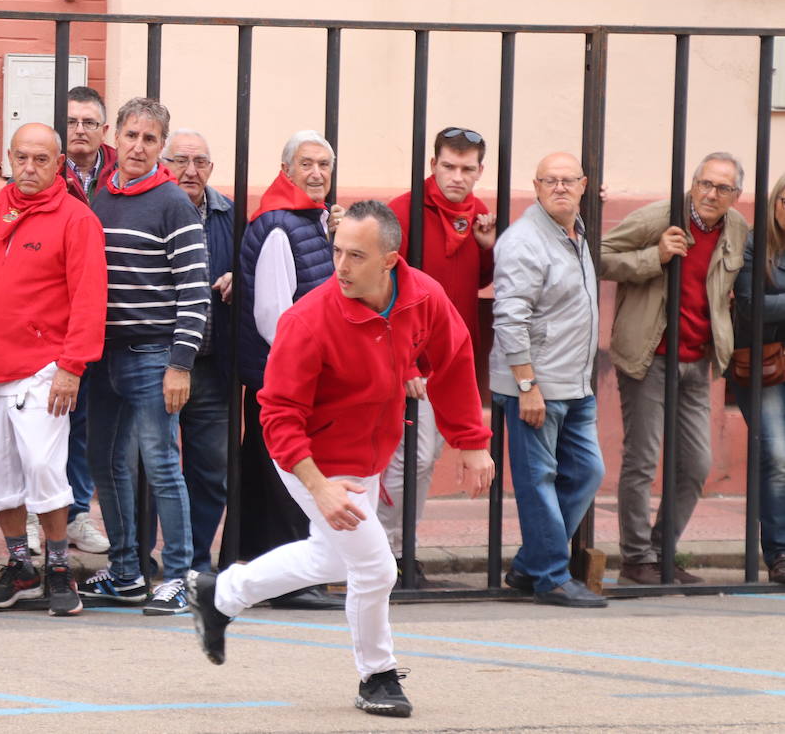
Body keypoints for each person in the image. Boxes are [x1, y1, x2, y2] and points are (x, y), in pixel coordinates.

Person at [187, 201, 495, 720]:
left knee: (334, 557)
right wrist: (319, 485)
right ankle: (377, 675)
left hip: (366, 453)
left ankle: (222, 594)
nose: (342, 266)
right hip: (308, 454)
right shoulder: (309, 320)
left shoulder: (423, 298)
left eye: (357, 255)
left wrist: (472, 440)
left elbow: (455, 357)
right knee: (376, 567)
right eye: (336, 252)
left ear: (390, 261)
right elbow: (278, 416)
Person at [81, 97, 210, 615]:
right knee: (104, 464)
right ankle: (127, 572)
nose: (138, 147)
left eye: (149, 139)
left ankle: (177, 576)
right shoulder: (99, 195)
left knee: (161, 465)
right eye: (131, 136)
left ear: (161, 148)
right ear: (118, 136)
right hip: (103, 355)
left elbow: (195, 290)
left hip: (154, 355)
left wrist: (180, 364)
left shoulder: (172, 202)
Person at [0, 122, 107, 616]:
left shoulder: (76, 219)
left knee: (45, 471)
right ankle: (20, 567)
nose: (29, 169)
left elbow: (90, 299)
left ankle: (57, 567)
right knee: (0, 476)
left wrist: (72, 367)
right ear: (9, 157)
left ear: (57, 164)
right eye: (21, 158)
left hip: (44, 370)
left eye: (40, 160)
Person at [600, 152, 747, 585]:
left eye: (722, 188)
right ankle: (636, 558)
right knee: (643, 460)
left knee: (696, 463)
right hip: (649, 356)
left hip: (697, 360)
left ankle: (663, 554)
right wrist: (654, 256)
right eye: (704, 183)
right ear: (693, 182)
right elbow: (600, 256)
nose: (710, 194)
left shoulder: (737, 228)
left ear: (735, 196)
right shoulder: (661, 216)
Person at [378, 127, 496, 586]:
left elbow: (480, 279)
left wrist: (487, 247)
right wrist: (404, 363)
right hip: (406, 360)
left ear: (480, 171)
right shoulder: (403, 212)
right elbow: (381, 290)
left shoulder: (478, 214)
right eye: (449, 166)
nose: (457, 177)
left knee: (423, 456)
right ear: (433, 165)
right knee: (409, 458)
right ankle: (389, 552)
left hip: (452, 359)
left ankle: (400, 549)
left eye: (468, 169)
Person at [491, 153, 605, 607]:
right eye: (549, 181)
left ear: (583, 186)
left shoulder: (574, 234)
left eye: (567, 181)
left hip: (575, 384)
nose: (559, 188)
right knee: (539, 478)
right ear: (536, 187)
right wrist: (526, 385)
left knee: (587, 472)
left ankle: (528, 566)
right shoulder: (524, 241)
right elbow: (509, 317)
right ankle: (551, 576)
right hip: (536, 387)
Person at [236, 130, 344, 608]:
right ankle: (290, 582)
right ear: (287, 171)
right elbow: (273, 315)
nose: (317, 173)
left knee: (276, 481)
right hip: (282, 379)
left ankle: (274, 578)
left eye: (323, 164)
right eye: (306, 164)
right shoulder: (280, 225)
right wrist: (306, 370)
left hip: (293, 377)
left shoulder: (308, 220)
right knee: (281, 484)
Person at [45, 85, 114, 556]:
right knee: (50, 421)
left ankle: (77, 514)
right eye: (72, 122)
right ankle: (45, 514)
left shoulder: (121, 173)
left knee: (91, 423)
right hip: (52, 316)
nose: (81, 130)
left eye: (89, 122)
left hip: (109, 314)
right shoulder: (45, 171)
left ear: (103, 130)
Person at [161, 129, 233, 574]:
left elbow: (254, 262)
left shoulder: (228, 213)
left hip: (211, 363)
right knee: (151, 467)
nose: (191, 171)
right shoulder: (150, 207)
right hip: (158, 359)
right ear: (164, 163)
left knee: (211, 471)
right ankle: (149, 562)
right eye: (181, 161)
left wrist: (240, 279)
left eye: (201, 162)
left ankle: (195, 560)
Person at [731, 172, 785, 586]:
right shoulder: (755, 244)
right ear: (775, 202)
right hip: (767, 366)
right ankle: (780, 554)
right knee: (777, 457)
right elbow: (751, 307)